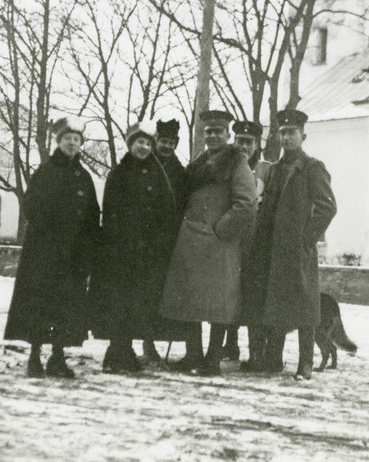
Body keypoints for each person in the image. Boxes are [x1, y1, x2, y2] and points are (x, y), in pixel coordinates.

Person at [240, 109, 337, 381]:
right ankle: (273, 359)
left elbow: (327, 207)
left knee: (305, 305)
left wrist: (307, 238)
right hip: (271, 249)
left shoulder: (312, 168)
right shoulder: (274, 170)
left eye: (291, 133)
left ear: (302, 136)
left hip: (297, 250)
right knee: (276, 303)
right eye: (282, 133)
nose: (286, 138)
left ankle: (305, 363)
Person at [159, 109, 257, 376]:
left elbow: (247, 204)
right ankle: (193, 355)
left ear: (227, 135)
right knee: (190, 301)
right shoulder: (198, 163)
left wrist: (221, 230)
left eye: (218, 131)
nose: (213, 135)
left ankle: (212, 359)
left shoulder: (237, 163)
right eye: (209, 131)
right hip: (191, 242)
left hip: (218, 245)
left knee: (218, 304)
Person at [3, 117, 100, 379]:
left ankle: (58, 357)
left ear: (81, 144)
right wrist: (52, 232)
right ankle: (35, 357)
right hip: (44, 254)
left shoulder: (84, 178)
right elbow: (31, 207)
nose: (72, 143)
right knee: (40, 306)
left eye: (76, 139)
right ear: (58, 141)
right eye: (67, 138)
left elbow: (93, 215)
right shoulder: (45, 172)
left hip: (74, 257)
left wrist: (90, 250)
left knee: (67, 308)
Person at [90, 121, 178, 373]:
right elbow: (110, 212)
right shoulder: (118, 173)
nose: (144, 147)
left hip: (148, 252)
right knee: (120, 301)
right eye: (139, 142)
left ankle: (123, 350)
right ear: (130, 145)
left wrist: (160, 240)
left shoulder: (157, 173)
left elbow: (168, 208)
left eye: (148, 143)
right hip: (121, 249)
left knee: (140, 302)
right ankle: (118, 350)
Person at [221, 119, 272, 362]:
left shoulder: (266, 170)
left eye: (248, 142)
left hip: (257, 244)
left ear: (257, 145)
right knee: (230, 293)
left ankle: (256, 352)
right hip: (232, 242)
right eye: (239, 140)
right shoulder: (226, 167)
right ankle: (229, 345)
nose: (243, 146)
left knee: (253, 297)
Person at [142, 118, 188, 362]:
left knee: (160, 295)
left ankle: (151, 343)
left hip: (166, 242)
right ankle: (141, 343)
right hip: (142, 240)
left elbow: (182, 206)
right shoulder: (143, 164)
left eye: (171, 142)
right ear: (155, 141)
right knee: (140, 294)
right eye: (163, 141)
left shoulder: (180, 172)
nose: (166, 146)